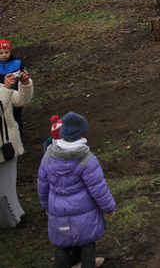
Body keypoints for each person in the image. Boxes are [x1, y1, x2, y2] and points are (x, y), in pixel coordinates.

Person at [37, 112, 117, 268]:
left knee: (62, 245)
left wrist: (45, 205)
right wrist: (109, 207)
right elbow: (98, 189)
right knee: (87, 245)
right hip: (85, 214)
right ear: (82, 133)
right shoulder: (87, 160)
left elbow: (42, 184)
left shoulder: (48, 157)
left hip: (57, 212)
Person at [0, 69, 32, 228]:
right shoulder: (2, 89)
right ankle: (9, 220)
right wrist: (6, 89)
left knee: (8, 186)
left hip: (9, 148)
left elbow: (20, 100)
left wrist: (24, 84)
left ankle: (15, 217)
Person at [0, 40, 26, 142]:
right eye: (1, 53)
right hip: (2, 98)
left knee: (17, 118)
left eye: (6, 52)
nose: (4, 55)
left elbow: (24, 78)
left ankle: (20, 139)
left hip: (15, 96)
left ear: (10, 51)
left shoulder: (18, 64)